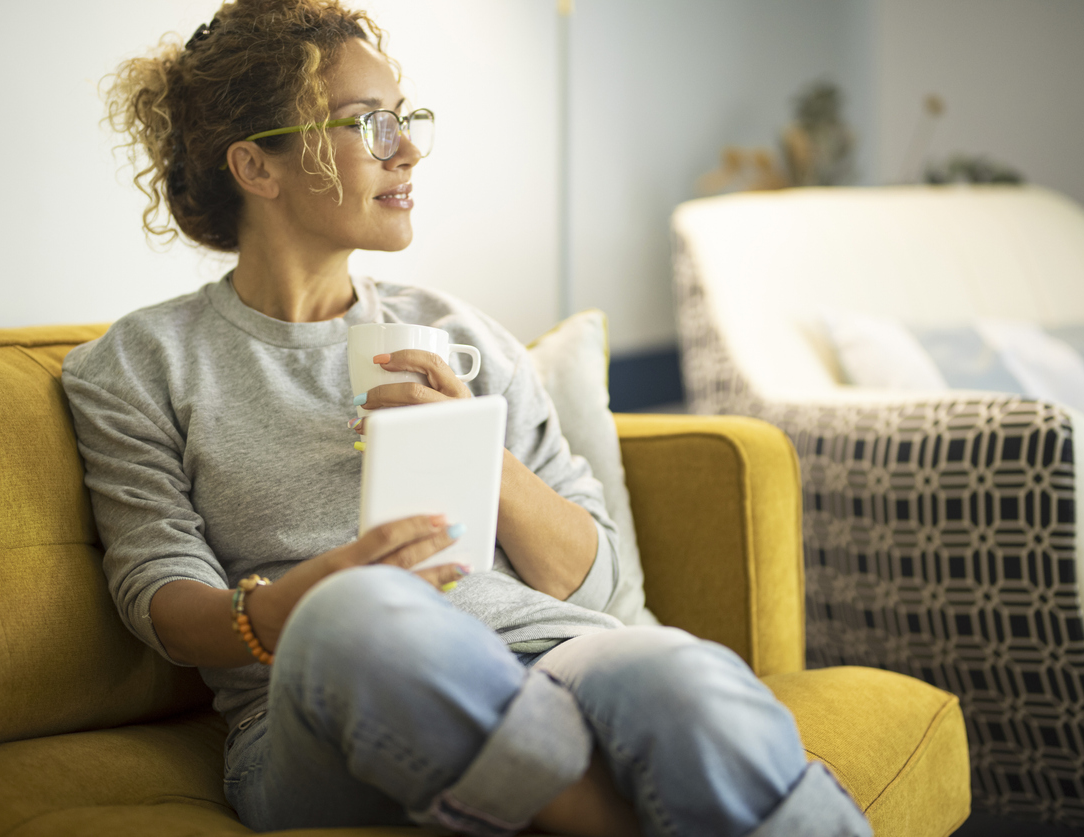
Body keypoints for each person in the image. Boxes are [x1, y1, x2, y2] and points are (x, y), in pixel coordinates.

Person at [63, 1, 872, 835]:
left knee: (676, 671)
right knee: (362, 614)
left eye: (405, 118)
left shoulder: (460, 335)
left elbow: (602, 586)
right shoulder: (134, 366)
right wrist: (286, 604)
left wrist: (483, 453)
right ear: (257, 168)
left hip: (552, 654)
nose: (407, 148)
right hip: (318, 701)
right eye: (369, 124)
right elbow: (158, 598)